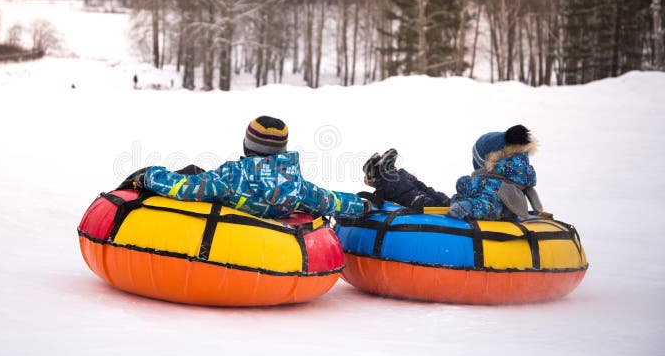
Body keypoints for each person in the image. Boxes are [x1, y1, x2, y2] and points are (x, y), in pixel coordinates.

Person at [118, 116, 373, 220]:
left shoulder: (232, 176)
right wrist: (363, 205)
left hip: (231, 239)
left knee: (192, 172)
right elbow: (330, 201)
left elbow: (185, 188)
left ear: (247, 145)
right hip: (272, 239)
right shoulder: (297, 185)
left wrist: (147, 175)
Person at [362, 124, 543, 221]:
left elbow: (492, 207)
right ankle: (391, 173)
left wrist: (469, 207)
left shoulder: (501, 185)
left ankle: (383, 178)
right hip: (458, 207)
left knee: (418, 200)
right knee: (428, 191)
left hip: (462, 213)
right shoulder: (505, 179)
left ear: (487, 161)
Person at [446, 124, 543, 220]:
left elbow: (492, 207)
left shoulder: (499, 187)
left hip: (477, 211)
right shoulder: (499, 182)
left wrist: (468, 207)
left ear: (484, 161)